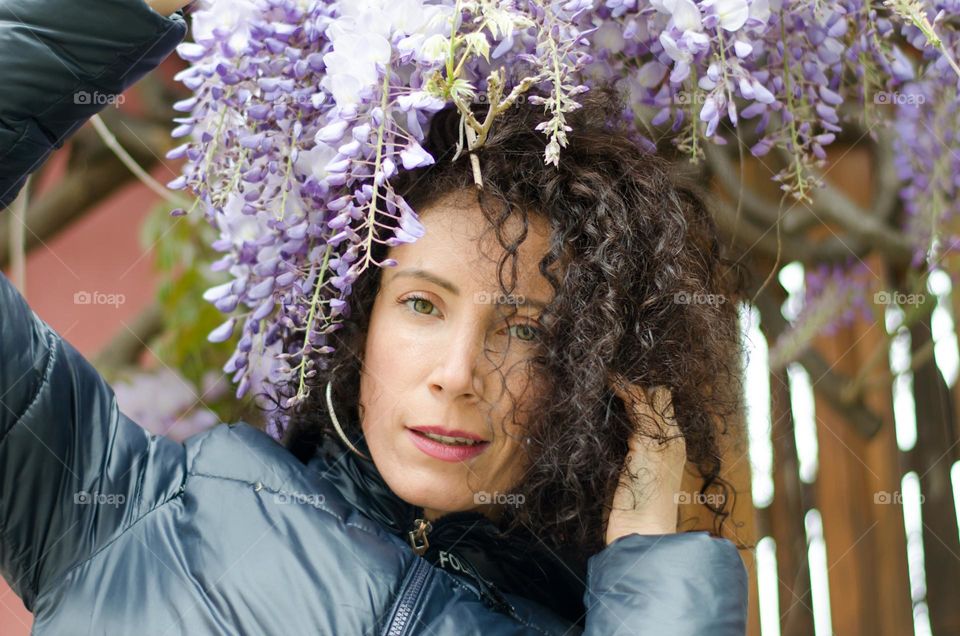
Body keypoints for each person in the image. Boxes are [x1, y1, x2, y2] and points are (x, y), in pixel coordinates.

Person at [0, 0, 750, 634]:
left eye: (524, 331)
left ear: (591, 381)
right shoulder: (116, 502)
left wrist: (653, 561)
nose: (458, 376)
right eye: (422, 305)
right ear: (360, 324)